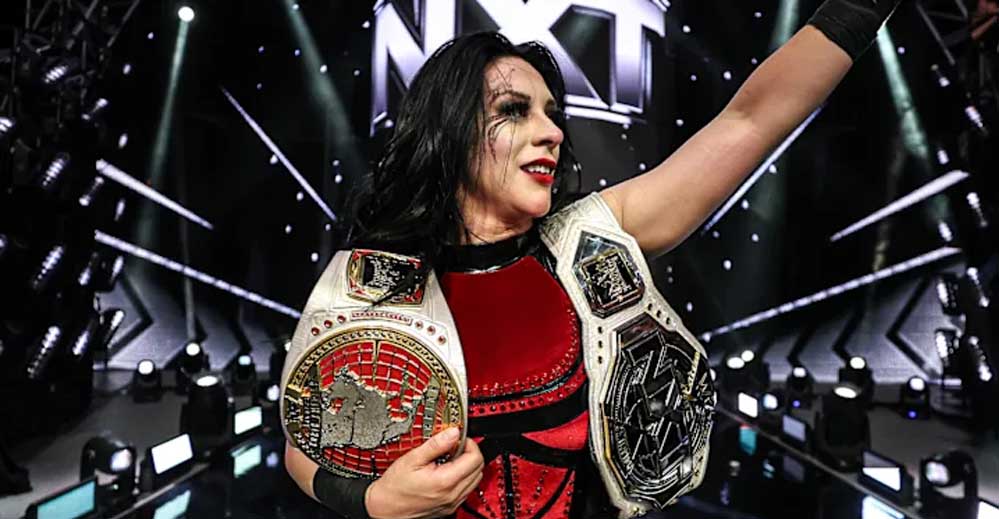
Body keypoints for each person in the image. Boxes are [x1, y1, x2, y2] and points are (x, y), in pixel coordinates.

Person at [283, 0, 904, 517]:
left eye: (552, 114)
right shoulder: (376, 281)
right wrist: (370, 500)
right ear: (449, 130)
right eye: (513, 111)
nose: (553, 132)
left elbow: (750, 120)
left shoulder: (586, 240)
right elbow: (303, 439)